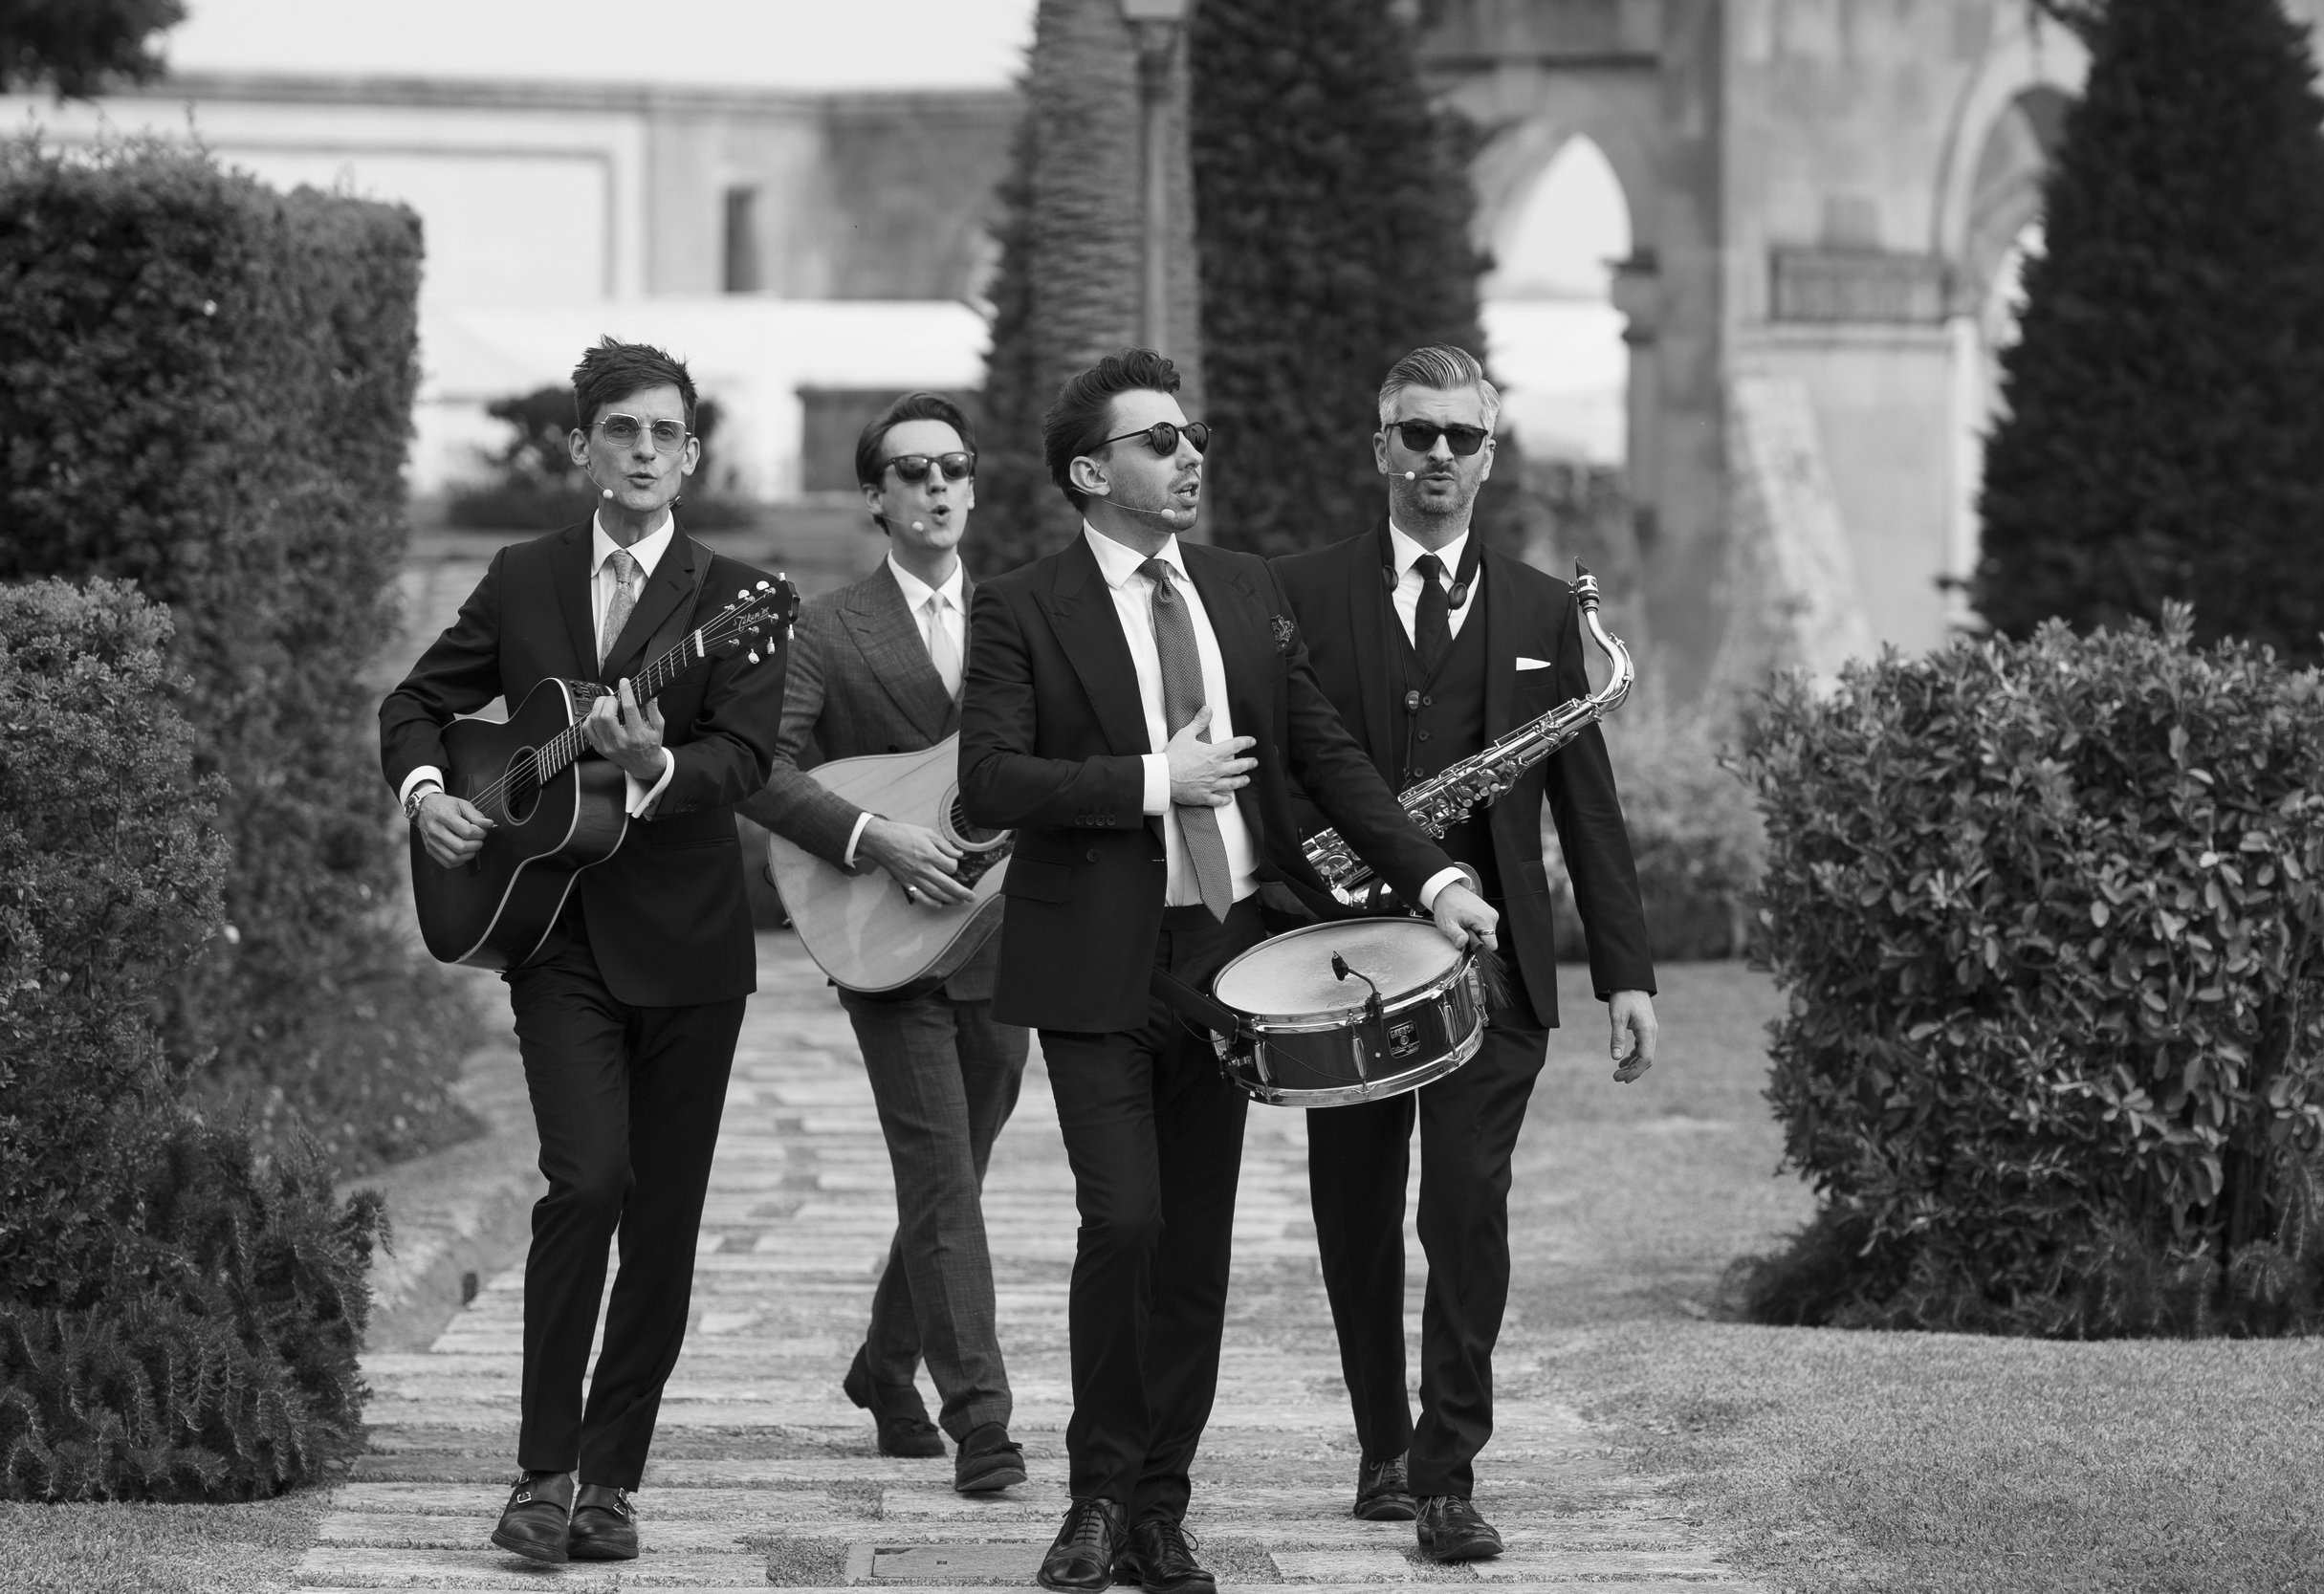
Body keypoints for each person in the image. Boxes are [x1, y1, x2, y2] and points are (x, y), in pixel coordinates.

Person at [958, 348, 1502, 1594]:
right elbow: (987, 781)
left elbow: (1331, 762)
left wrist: (1433, 882)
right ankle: (1094, 1491)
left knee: (1195, 1244)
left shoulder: (1245, 589)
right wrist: (1158, 780)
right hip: (1093, 963)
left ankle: (1160, 1508)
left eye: (1191, 433)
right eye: (1159, 440)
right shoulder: (1021, 604)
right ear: (1093, 472)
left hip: (1230, 963)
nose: (1190, 454)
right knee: (1126, 1218)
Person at [379, 338, 786, 1566]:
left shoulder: (741, 599)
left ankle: (611, 1481)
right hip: (550, 937)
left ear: (693, 454)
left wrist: (658, 761)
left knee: (661, 1222)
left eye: (666, 433)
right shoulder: (524, 574)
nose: (646, 452)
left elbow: (747, 763)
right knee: (585, 1184)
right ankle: (539, 1470)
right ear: (582, 447)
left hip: (692, 949)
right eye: (623, 430)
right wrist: (427, 793)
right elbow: (419, 705)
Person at [1269, 345, 1659, 1564]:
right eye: (1416, 432)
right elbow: (1278, 774)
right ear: (1378, 444)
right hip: (1344, 956)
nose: (1439, 454)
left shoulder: (1548, 610)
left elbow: (1585, 806)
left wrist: (1628, 973)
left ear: (1491, 456)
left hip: (1493, 974)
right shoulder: (1296, 592)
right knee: (1354, 1208)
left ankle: (1446, 1468)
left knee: (1465, 1209)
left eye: (1462, 437)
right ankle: (1380, 1443)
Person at [736, 392, 1033, 1494]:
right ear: (875, 496)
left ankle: (881, 1364)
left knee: (963, 1168)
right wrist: (872, 836)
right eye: (911, 472)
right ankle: (984, 1420)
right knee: (940, 1170)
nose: (937, 487)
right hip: (881, 932)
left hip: (1003, 934)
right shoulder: (828, 625)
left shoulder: (1021, 614)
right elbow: (758, 766)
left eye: (952, 466)